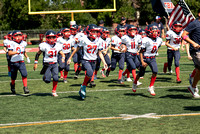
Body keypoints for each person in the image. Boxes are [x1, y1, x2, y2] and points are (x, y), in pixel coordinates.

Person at [67, 24, 107, 100]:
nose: (95, 33)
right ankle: (84, 87)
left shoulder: (99, 40)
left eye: (96, 32)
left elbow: (99, 52)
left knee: (89, 77)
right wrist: (70, 57)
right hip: (85, 60)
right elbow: (77, 48)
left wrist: (104, 62)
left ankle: (82, 87)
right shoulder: (84, 39)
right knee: (89, 73)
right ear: (89, 32)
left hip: (93, 61)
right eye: (93, 31)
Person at [132, 25, 162, 96]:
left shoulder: (159, 39)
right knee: (141, 73)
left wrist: (155, 53)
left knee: (155, 71)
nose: (155, 33)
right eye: (153, 31)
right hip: (145, 58)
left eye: (156, 31)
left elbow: (158, 47)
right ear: (149, 32)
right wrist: (142, 61)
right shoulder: (146, 39)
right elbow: (141, 51)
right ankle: (135, 82)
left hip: (152, 58)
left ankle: (151, 87)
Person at [33, 30, 65, 97]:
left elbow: (62, 53)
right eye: (50, 38)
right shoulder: (44, 45)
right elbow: (38, 54)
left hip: (55, 64)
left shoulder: (58, 45)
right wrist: (35, 63)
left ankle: (54, 91)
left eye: (53, 37)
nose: (51, 39)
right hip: (47, 64)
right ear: (47, 38)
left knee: (56, 78)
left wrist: (63, 58)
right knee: (47, 80)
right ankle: (45, 76)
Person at [181, 9, 200, 98]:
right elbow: (183, 35)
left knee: (199, 70)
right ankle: (192, 86)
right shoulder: (194, 23)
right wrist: (193, 43)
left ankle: (193, 83)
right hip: (196, 51)